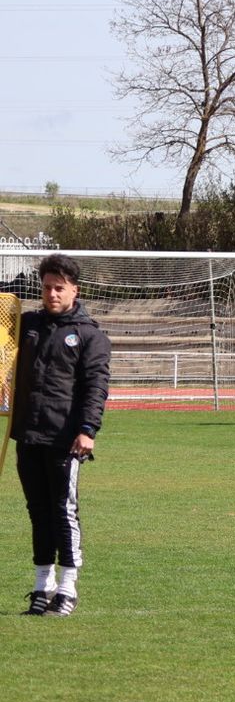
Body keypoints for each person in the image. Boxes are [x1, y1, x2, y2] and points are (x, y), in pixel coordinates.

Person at [10, 253, 111, 616]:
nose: (51, 294)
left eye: (59, 288)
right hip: (28, 435)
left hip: (65, 438)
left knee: (63, 511)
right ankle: (42, 585)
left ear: (74, 290)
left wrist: (87, 430)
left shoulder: (90, 335)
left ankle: (68, 588)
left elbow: (96, 387)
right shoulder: (27, 325)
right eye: (47, 287)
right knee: (37, 511)